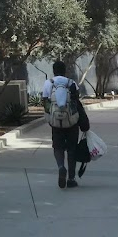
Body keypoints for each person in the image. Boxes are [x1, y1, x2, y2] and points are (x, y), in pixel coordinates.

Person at [42, 60, 90, 189]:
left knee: (58, 147)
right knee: (72, 149)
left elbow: (45, 103)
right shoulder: (71, 83)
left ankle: (61, 167)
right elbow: (76, 102)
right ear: (65, 71)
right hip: (72, 122)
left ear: (53, 71)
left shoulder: (48, 83)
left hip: (56, 122)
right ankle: (71, 179)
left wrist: (50, 118)